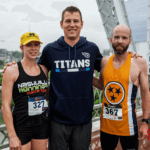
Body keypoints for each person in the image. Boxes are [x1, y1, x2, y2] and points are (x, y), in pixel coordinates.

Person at [92, 24, 150, 150]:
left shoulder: (139, 63)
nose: (120, 41)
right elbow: (102, 85)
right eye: (116, 37)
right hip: (106, 127)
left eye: (124, 38)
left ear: (129, 41)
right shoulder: (104, 62)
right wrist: (86, 75)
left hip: (128, 127)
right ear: (111, 40)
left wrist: (145, 122)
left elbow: (145, 93)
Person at [2, 32, 49, 150]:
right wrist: (12, 136)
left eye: (36, 44)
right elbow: (5, 106)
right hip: (21, 126)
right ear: (21, 47)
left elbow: (44, 95)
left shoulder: (43, 69)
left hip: (41, 124)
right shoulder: (11, 71)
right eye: (29, 45)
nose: (33, 48)